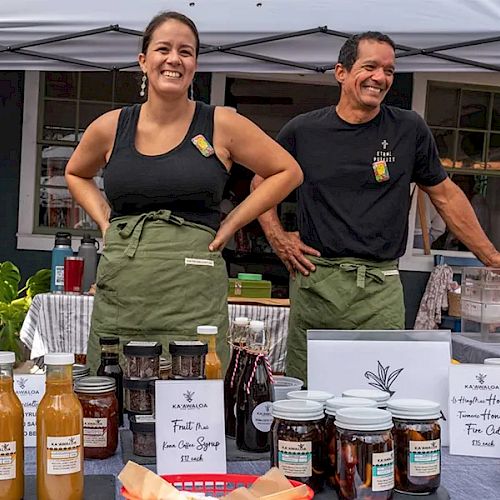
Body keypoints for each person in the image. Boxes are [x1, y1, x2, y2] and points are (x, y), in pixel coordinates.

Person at [252, 31, 500, 383]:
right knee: (309, 391)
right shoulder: (303, 131)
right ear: (341, 72)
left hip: (380, 287)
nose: (380, 78)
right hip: (316, 281)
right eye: (370, 67)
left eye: (389, 70)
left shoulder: (408, 128)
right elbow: (262, 182)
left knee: (378, 392)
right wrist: (277, 237)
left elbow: (446, 196)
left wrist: (492, 258)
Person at [65, 11, 303, 372]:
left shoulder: (221, 124)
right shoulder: (111, 127)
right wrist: (104, 222)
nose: (174, 59)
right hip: (124, 289)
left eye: (186, 52)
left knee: (194, 394)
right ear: (144, 61)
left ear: (194, 65)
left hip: (193, 292)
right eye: (164, 49)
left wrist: (232, 223)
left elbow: (287, 171)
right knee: (115, 390)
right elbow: (76, 173)